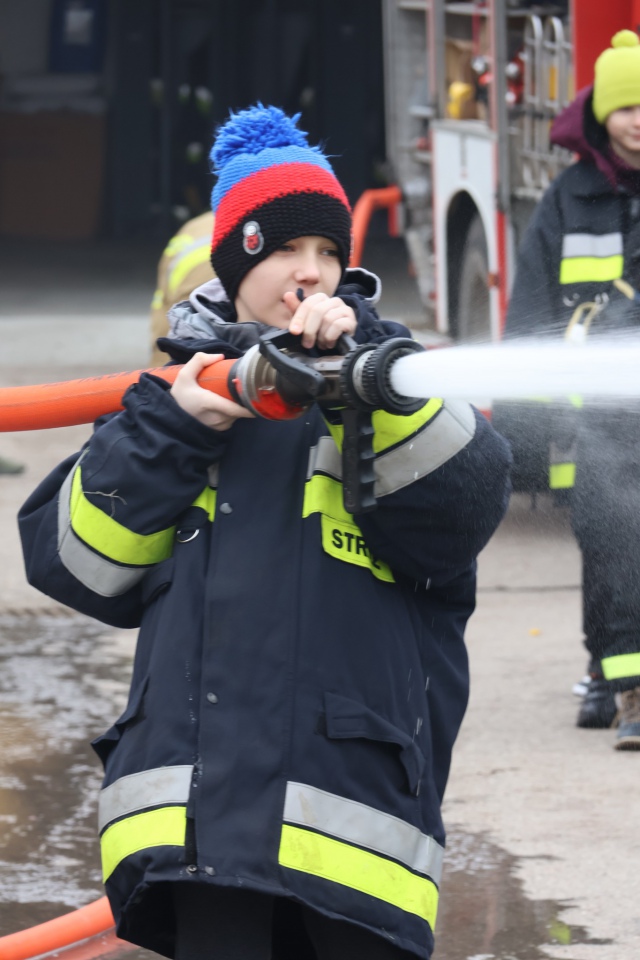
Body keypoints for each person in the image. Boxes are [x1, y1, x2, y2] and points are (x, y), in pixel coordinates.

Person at [18, 105, 511, 960]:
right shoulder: (175, 398)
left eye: (326, 251)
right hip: (201, 830)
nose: (310, 272)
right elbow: (74, 564)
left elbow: (461, 516)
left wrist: (368, 385)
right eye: (284, 249)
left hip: (349, 819)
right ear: (236, 263)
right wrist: (175, 431)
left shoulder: (393, 377)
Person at [503, 30, 640, 748]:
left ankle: (615, 682)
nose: (638, 121)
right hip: (598, 424)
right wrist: (523, 437)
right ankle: (623, 687)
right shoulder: (566, 199)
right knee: (611, 549)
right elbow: (530, 314)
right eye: (626, 107)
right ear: (600, 115)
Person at [149, 210, 216, 367]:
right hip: (207, 284)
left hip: (180, 292)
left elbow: (163, 317)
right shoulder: (257, 218)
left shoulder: (194, 225)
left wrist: (158, 368)